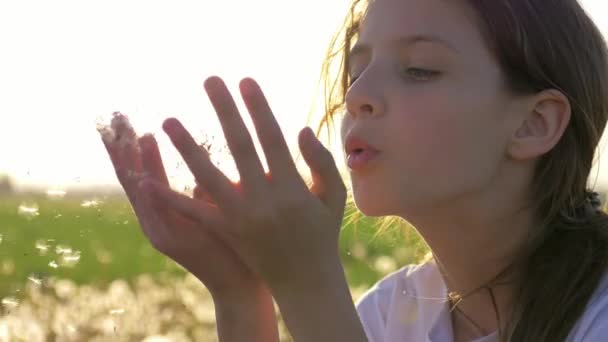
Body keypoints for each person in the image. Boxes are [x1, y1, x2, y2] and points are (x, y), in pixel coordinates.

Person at [99, 0, 608, 341]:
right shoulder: (395, 312)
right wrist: (238, 289)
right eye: (357, 68)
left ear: (534, 124)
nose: (357, 95)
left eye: (420, 69)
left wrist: (307, 288)